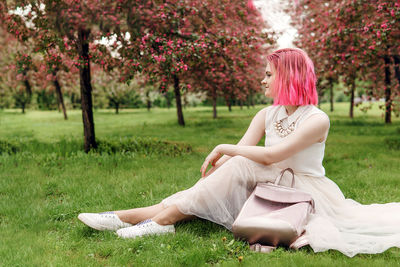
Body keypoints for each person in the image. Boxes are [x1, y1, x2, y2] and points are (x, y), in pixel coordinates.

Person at [78, 48, 400, 257]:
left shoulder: (317, 119)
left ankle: (145, 219)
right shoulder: (266, 114)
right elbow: (241, 155)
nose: (263, 80)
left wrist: (222, 148)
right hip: (266, 184)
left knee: (240, 162)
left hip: (302, 191)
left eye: (268, 74)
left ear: (286, 77)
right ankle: (129, 217)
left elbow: (271, 157)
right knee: (219, 179)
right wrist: (214, 176)